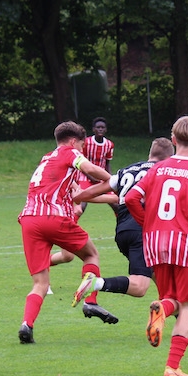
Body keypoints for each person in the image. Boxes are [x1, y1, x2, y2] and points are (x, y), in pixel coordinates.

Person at [66, 137, 188, 307]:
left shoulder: (126, 171)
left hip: (122, 231)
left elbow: (94, 192)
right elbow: (186, 180)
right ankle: (96, 283)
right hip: (144, 230)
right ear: (169, 157)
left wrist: (78, 196)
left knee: (163, 281)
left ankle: (170, 313)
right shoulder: (161, 170)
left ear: (150, 153)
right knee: (140, 286)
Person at [124, 116, 188, 376]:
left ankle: (162, 309)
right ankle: (172, 367)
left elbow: (131, 197)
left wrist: (147, 223)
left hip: (154, 241)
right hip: (183, 242)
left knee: (173, 299)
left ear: (173, 139)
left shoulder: (157, 169)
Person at [18, 120, 117, 345]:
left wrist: (113, 197)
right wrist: (114, 181)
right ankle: (91, 301)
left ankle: (27, 324)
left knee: (41, 283)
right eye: (82, 146)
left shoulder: (47, 159)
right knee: (91, 254)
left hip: (29, 220)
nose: (82, 150)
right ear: (74, 142)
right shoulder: (69, 153)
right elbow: (90, 169)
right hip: (52, 217)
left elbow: (76, 194)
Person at [74, 116, 115, 190]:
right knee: (83, 194)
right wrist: (91, 177)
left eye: (102, 127)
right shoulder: (86, 142)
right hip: (85, 175)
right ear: (93, 129)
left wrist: (110, 178)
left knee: (113, 196)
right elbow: (80, 162)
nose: (100, 129)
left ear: (106, 129)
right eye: (98, 127)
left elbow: (107, 163)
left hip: (101, 176)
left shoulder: (109, 144)